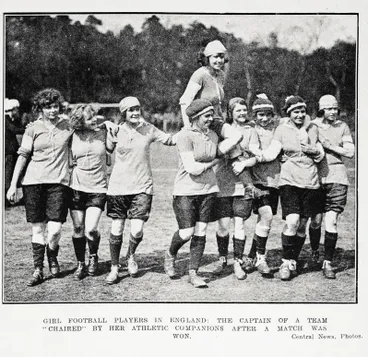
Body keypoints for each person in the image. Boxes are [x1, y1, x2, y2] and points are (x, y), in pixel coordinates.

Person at [105, 96, 176, 285]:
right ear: (124, 113)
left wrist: (190, 128)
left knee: (136, 231)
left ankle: (130, 256)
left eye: (137, 109)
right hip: (118, 187)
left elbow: (170, 140)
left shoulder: (149, 129)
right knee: (117, 227)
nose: (135, 113)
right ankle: (114, 267)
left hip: (142, 186)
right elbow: (108, 148)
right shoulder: (116, 130)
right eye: (131, 110)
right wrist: (107, 126)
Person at [6, 88, 73, 286]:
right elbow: (23, 155)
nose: (52, 110)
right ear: (40, 108)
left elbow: (88, 123)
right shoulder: (32, 128)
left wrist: (108, 124)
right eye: (48, 107)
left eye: (55, 106)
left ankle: (52, 254)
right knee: (38, 229)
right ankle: (38, 269)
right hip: (33, 183)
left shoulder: (68, 126)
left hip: (58, 183)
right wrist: (12, 185)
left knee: (54, 230)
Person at [256, 95, 325, 280]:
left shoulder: (313, 129)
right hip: (289, 182)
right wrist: (253, 156)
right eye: (296, 111)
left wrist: (313, 151)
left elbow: (320, 156)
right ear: (289, 113)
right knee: (293, 221)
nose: (300, 115)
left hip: (311, 182)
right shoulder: (281, 130)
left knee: (302, 225)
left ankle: (293, 259)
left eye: (303, 111)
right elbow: (271, 153)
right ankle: (285, 262)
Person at [164, 99, 221, 287]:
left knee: (201, 230)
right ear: (196, 117)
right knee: (187, 232)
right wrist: (213, 163)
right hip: (185, 190)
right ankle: (171, 253)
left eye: (211, 115)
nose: (210, 119)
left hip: (209, 190)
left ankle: (193, 273)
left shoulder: (213, 135)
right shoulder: (184, 135)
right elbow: (192, 168)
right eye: (207, 116)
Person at [212, 97, 261, 280]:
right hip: (223, 183)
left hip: (243, 184)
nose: (241, 113)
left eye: (243, 110)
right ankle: (223, 258)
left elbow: (257, 155)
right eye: (237, 110)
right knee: (223, 225)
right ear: (230, 112)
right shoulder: (222, 129)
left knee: (239, 223)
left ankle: (238, 262)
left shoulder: (251, 131)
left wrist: (245, 163)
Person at [68, 104, 116, 280]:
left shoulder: (103, 132)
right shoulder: (71, 135)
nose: (95, 119)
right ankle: (81, 263)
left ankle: (93, 255)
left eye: (95, 116)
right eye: (90, 118)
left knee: (91, 229)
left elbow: (111, 148)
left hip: (98, 188)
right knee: (78, 227)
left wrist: (110, 125)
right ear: (80, 121)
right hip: (76, 187)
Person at [309, 95, 355, 279]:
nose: (333, 112)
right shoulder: (312, 125)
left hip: (337, 175)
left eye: (335, 108)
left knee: (332, 220)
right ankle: (314, 251)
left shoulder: (342, 126)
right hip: (315, 177)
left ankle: (328, 262)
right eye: (329, 109)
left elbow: (350, 152)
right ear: (321, 109)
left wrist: (330, 146)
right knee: (315, 220)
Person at [241, 94, 281, 277]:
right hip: (256, 180)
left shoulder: (278, 130)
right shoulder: (251, 130)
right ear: (254, 115)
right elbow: (251, 150)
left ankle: (253, 256)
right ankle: (260, 258)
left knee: (265, 219)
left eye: (267, 114)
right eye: (260, 115)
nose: (264, 118)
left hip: (274, 181)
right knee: (266, 216)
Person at [180, 40, 228, 128]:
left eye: (221, 57)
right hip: (199, 122)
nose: (219, 60)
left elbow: (218, 103)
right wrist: (187, 126)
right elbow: (184, 102)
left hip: (216, 121)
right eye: (215, 57)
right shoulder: (199, 75)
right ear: (207, 58)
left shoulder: (221, 75)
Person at [5, 98, 24, 207]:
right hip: (8, 152)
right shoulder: (5, 120)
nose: (18, 112)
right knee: (7, 175)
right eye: (17, 110)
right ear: (12, 110)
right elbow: (15, 130)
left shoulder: (8, 120)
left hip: (9, 152)